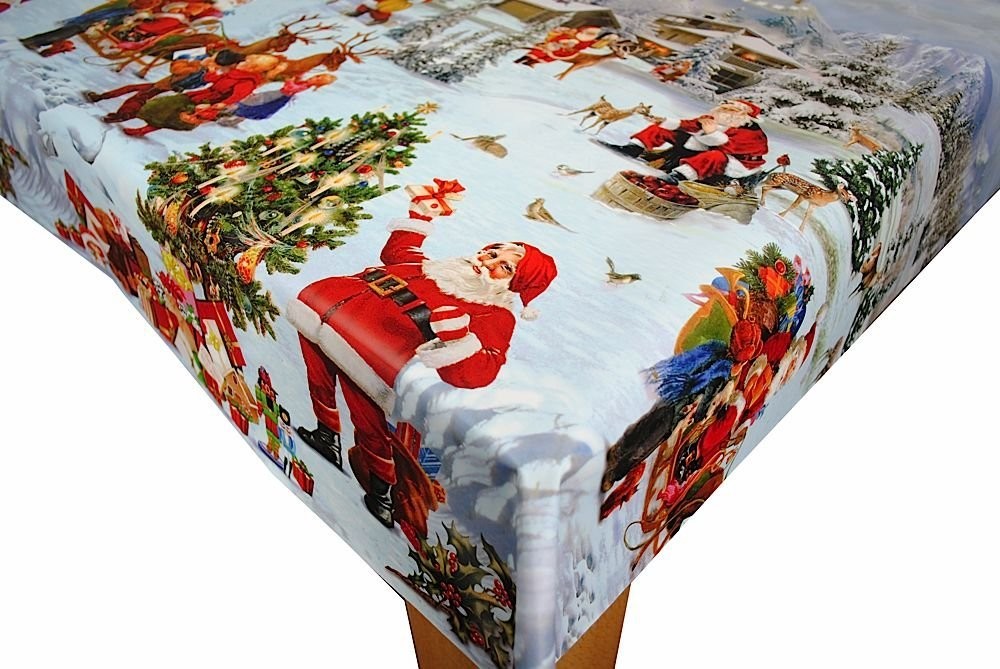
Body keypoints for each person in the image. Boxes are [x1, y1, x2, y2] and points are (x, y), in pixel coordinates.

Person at [288, 206, 557, 535]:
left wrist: (457, 339)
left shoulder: (494, 314)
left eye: (504, 267)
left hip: (369, 352)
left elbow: (480, 372)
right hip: (319, 307)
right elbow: (398, 254)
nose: (487, 261)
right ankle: (326, 435)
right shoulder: (438, 269)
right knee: (317, 378)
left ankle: (382, 489)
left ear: (515, 284)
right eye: (493, 252)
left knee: (365, 416)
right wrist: (420, 216)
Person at [602, 99, 770, 185]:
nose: (725, 112)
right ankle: (633, 148)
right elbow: (689, 125)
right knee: (665, 129)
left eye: (731, 110)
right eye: (725, 108)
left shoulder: (752, 134)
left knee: (714, 156)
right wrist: (663, 121)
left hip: (735, 162)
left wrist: (711, 133)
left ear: (744, 116)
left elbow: (728, 148)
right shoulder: (715, 118)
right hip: (705, 145)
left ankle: (679, 176)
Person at [123, 53, 280, 135]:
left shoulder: (248, 81)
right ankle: (134, 116)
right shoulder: (236, 72)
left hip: (208, 102)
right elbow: (215, 79)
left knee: (173, 117)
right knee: (165, 104)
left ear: (256, 67)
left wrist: (220, 104)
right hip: (201, 94)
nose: (246, 61)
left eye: (252, 61)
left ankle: (142, 130)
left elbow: (236, 96)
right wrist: (210, 73)